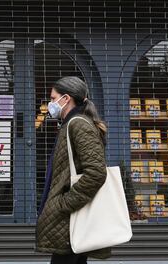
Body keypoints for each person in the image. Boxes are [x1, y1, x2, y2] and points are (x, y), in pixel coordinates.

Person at [35, 76, 111, 264]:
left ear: (66, 98)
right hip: (70, 219)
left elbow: (96, 172)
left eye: (53, 99)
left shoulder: (77, 124)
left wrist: (64, 204)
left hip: (71, 218)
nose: (50, 104)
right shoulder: (71, 124)